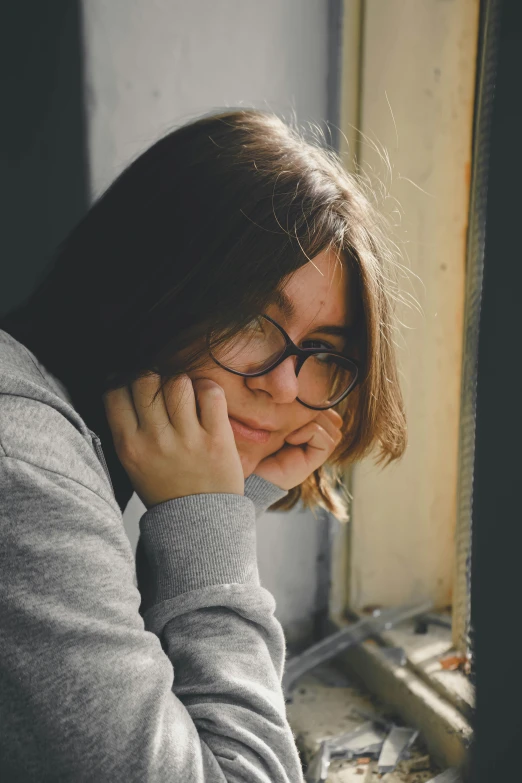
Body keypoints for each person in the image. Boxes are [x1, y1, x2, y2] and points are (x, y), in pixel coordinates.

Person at [0, 109, 406, 782]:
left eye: (324, 351)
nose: (284, 382)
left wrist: (223, 502)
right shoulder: (25, 469)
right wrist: (208, 523)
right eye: (251, 319)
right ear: (147, 281)